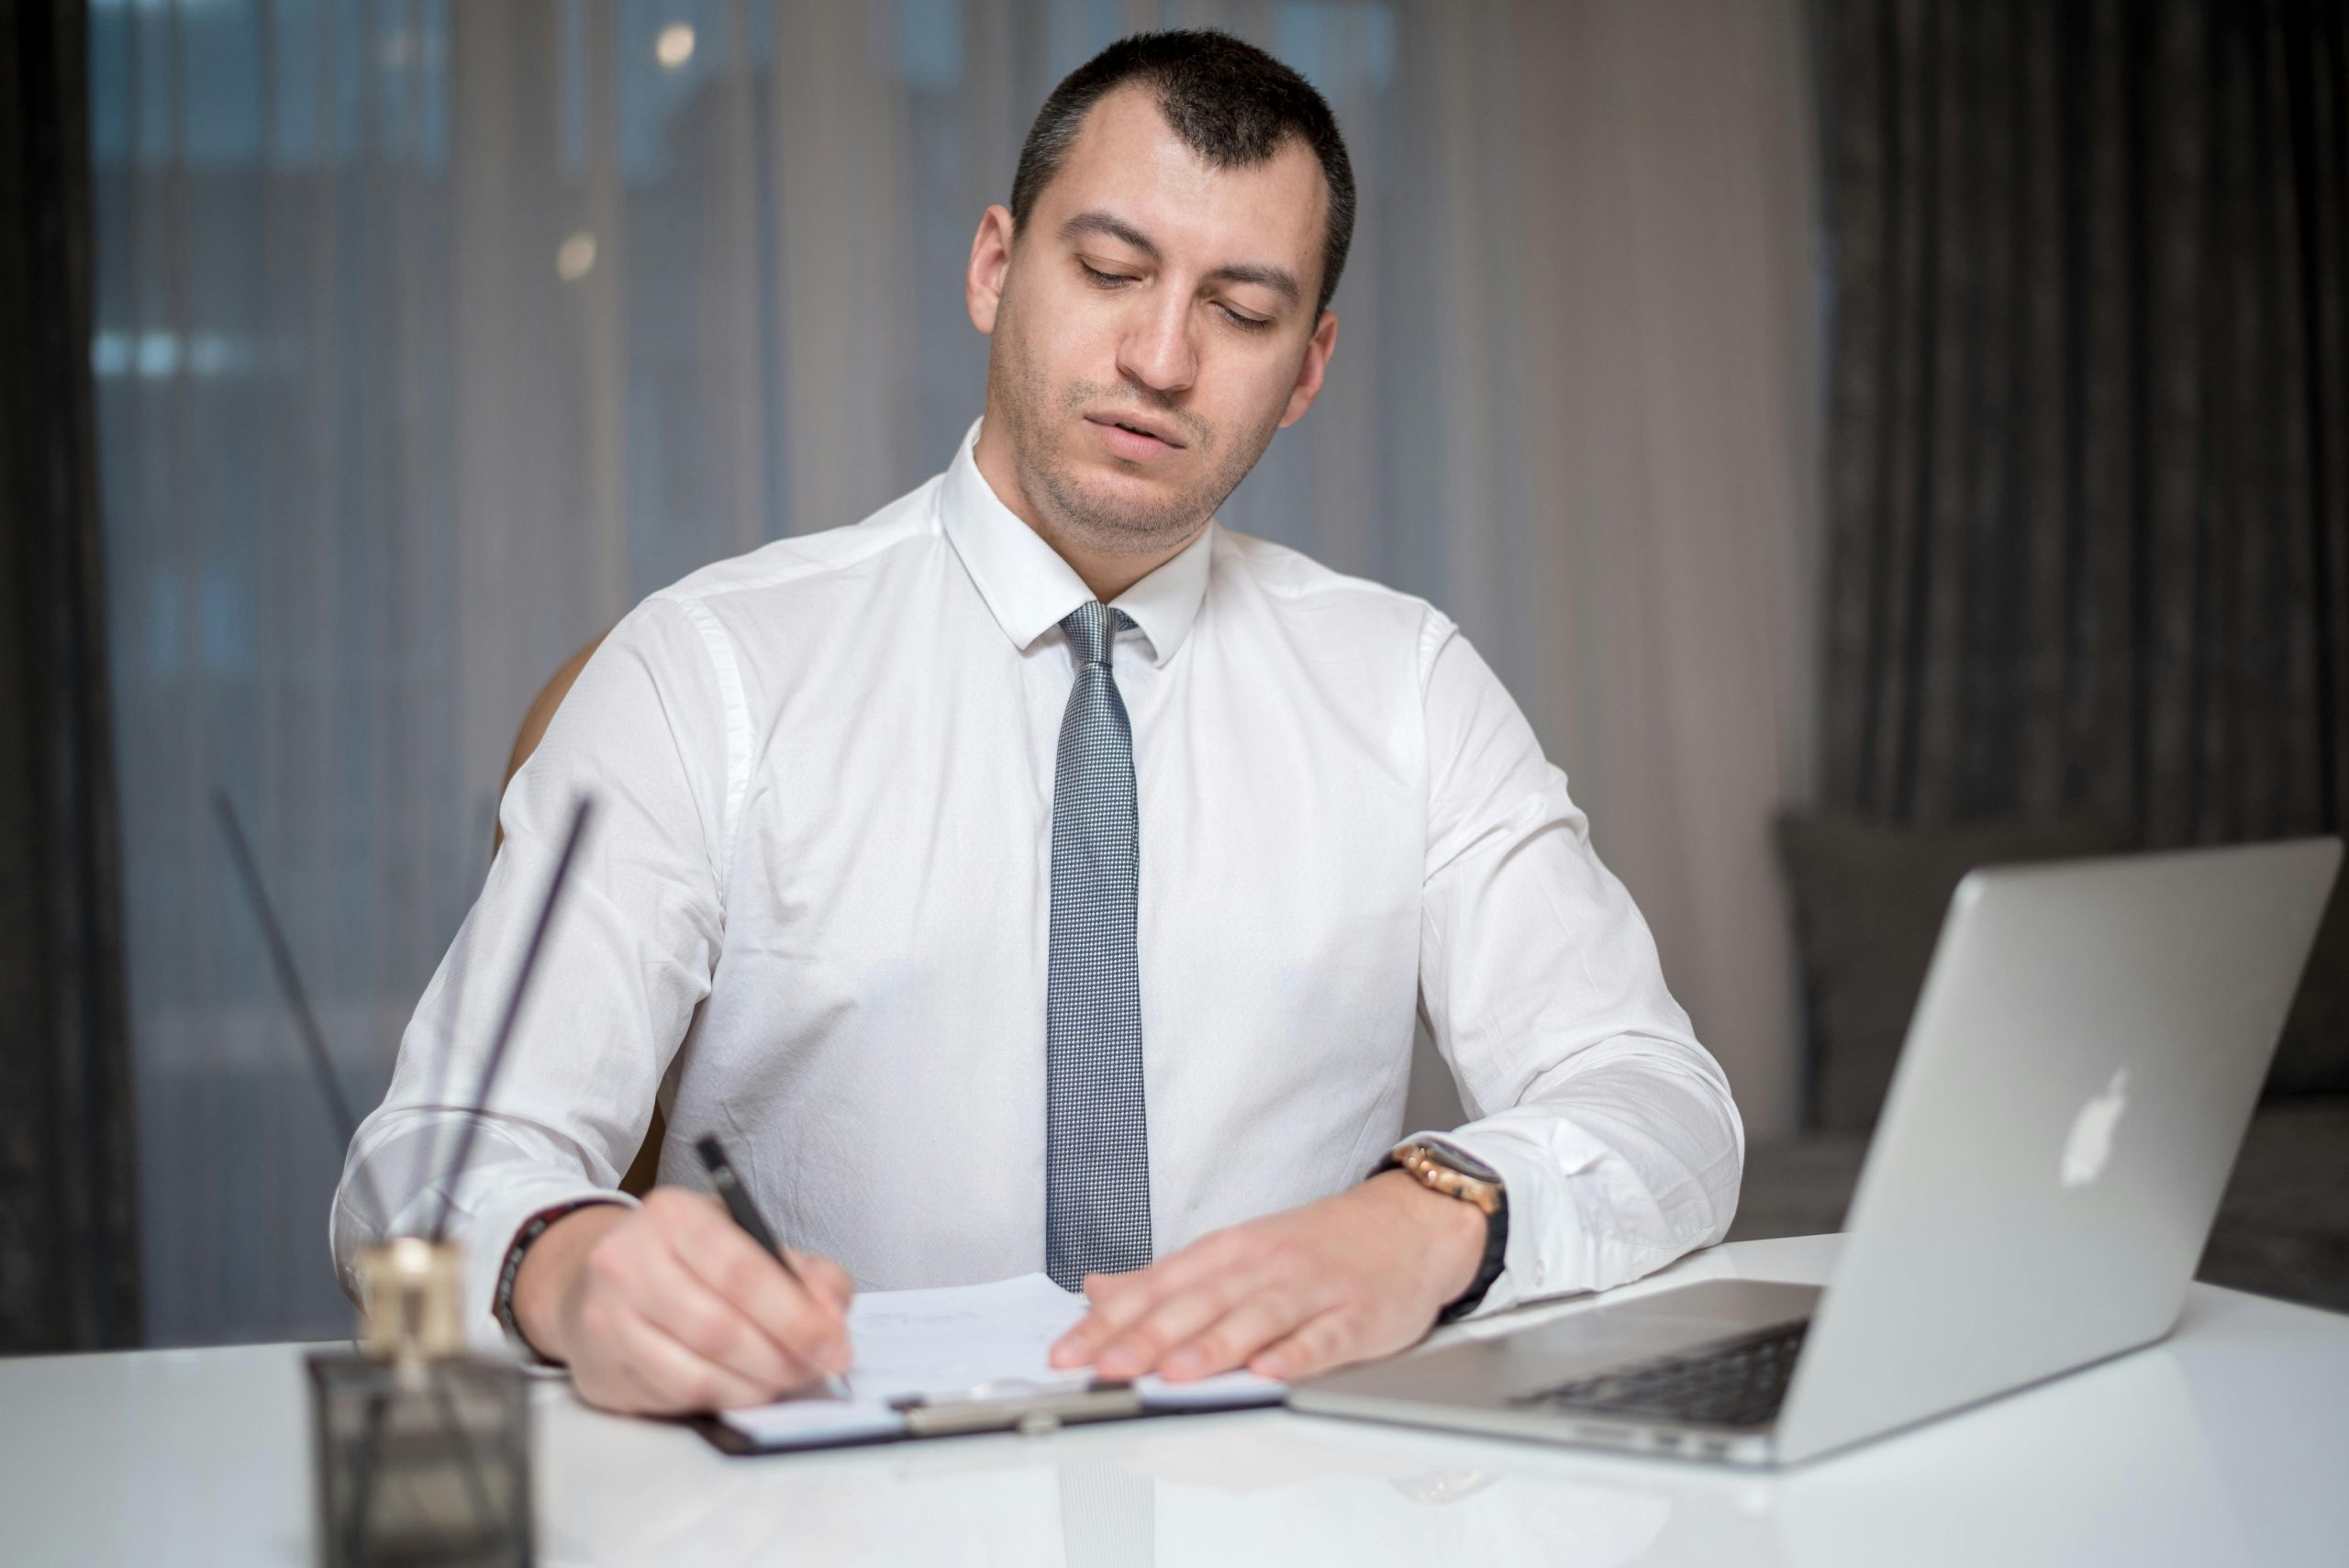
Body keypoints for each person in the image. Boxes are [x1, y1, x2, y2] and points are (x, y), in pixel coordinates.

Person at [333, 28, 1743, 1417]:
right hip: (843, 1509)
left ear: (1309, 369)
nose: (1161, 355)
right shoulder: (703, 673)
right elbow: (430, 1159)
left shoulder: (1410, 687)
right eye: (1111, 271)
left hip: (1290, 1501)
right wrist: (572, 1268)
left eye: (1242, 313)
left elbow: (1659, 1098)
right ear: (995, 267)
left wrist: (1427, 1220)